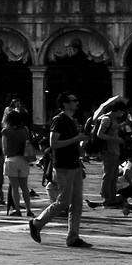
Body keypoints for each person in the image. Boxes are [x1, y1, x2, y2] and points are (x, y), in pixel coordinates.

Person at [29, 90, 90, 248]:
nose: (76, 102)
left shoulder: (71, 121)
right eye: (73, 100)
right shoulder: (59, 120)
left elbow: (72, 144)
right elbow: (53, 143)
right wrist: (76, 138)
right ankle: (37, 223)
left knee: (77, 204)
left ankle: (73, 237)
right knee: (64, 201)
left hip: (74, 165)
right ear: (65, 104)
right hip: (63, 166)